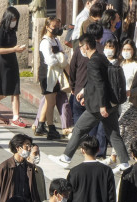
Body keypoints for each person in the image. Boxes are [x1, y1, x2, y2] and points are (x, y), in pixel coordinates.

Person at [54, 35, 130, 169]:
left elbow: (100, 84)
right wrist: (84, 93)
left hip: (98, 107)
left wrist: (101, 106)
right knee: (113, 134)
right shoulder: (101, 58)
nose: (80, 50)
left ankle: (66, 158)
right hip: (110, 104)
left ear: (86, 46)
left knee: (78, 129)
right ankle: (124, 163)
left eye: (81, 47)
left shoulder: (93, 62)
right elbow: (95, 83)